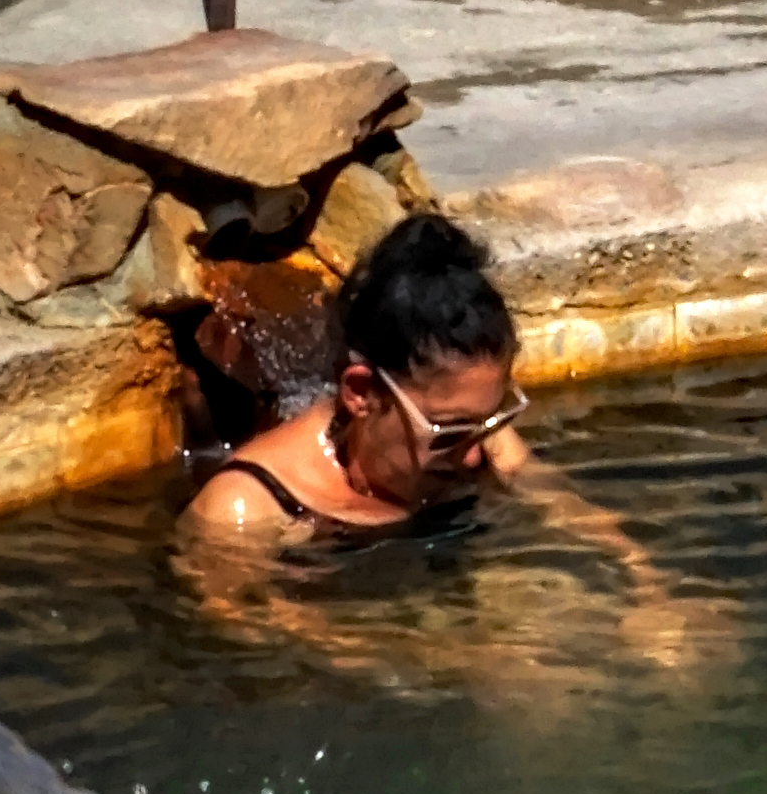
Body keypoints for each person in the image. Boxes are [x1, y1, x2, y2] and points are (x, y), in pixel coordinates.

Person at [178, 206, 666, 602]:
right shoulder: (247, 508)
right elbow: (256, 628)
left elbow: (556, 501)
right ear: (361, 394)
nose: (475, 452)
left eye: (492, 421)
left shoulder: (465, 427)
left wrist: (649, 585)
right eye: (451, 432)